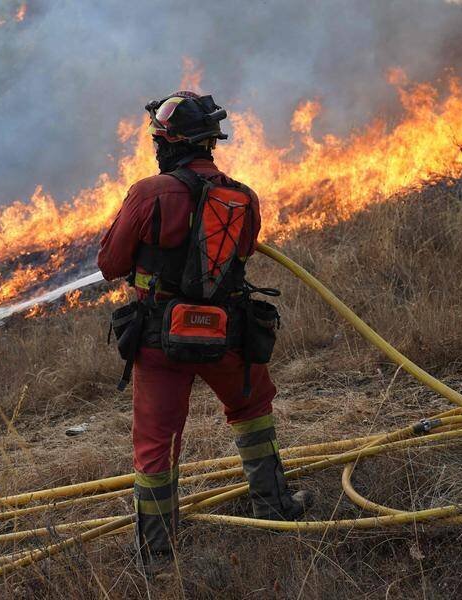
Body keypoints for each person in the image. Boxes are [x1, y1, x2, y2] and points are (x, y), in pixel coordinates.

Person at [98, 91, 313, 571]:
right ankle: (275, 506)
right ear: (209, 142)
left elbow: (109, 263)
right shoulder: (241, 197)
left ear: (167, 143)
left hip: (158, 341)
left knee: (156, 442)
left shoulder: (148, 193)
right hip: (226, 337)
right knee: (253, 409)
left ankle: (156, 556)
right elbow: (244, 253)